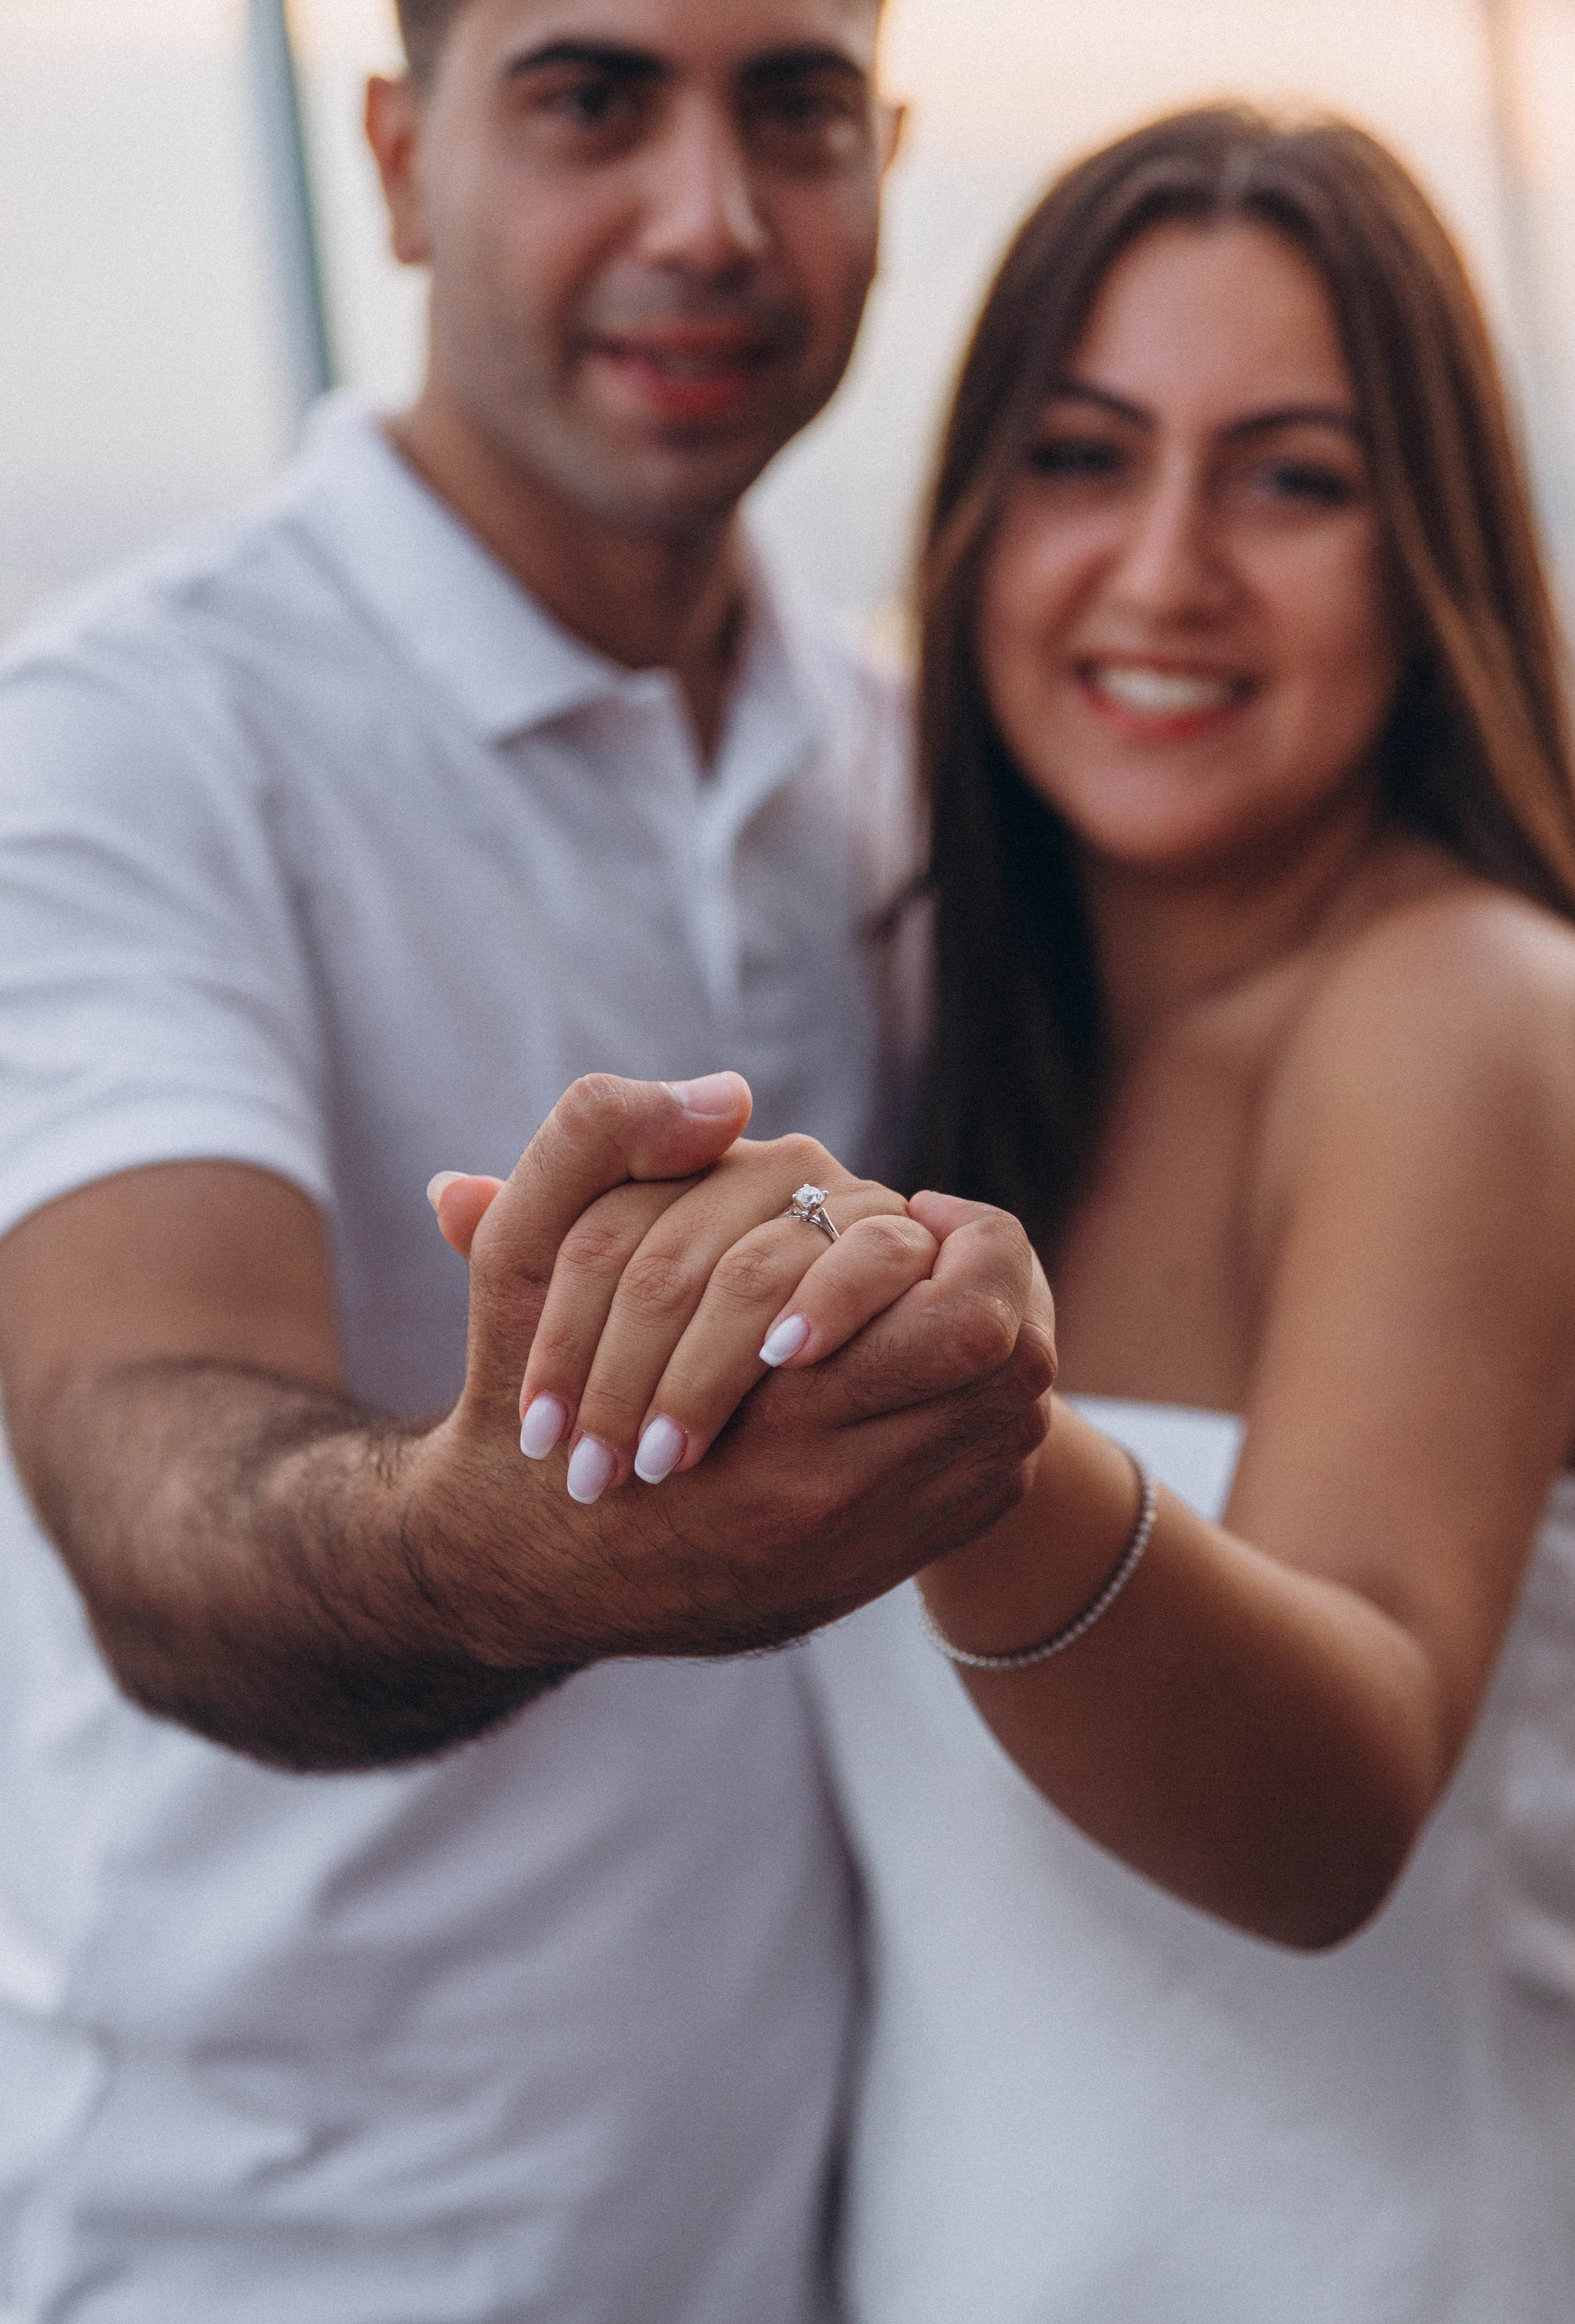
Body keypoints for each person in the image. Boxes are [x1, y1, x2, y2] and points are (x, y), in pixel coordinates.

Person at [506, 106, 1575, 2321]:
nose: (1166, 568)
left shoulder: (1462, 1008)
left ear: (1432, 558)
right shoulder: (961, 1018)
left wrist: (968, 1432)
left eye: (1293, 478)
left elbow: (1333, 1819)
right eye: (1084, 457)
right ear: (968, 522)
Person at [0, 4, 1054, 2317]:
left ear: (881, 157)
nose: (711, 217)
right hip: (263, 2254)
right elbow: (140, 1480)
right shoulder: (132, 737)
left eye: (792, 109)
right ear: (397, 161)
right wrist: (516, 1550)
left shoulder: (890, 765)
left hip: (823, 2235)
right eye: (592, 98)